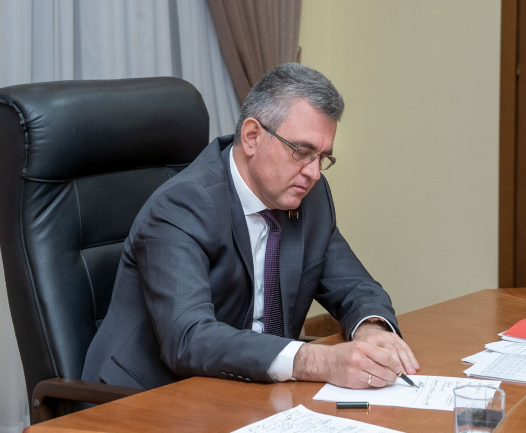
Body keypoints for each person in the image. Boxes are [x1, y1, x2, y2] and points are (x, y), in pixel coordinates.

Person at [81, 63, 419, 391]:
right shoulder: (183, 205)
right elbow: (189, 339)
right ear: (253, 136)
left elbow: (354, 286)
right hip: (144, 397)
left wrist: (371, 328)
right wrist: (315, 360)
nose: (314, 173)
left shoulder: (307, 196)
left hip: (244, 389)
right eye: (302, 151)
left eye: (322, 157)